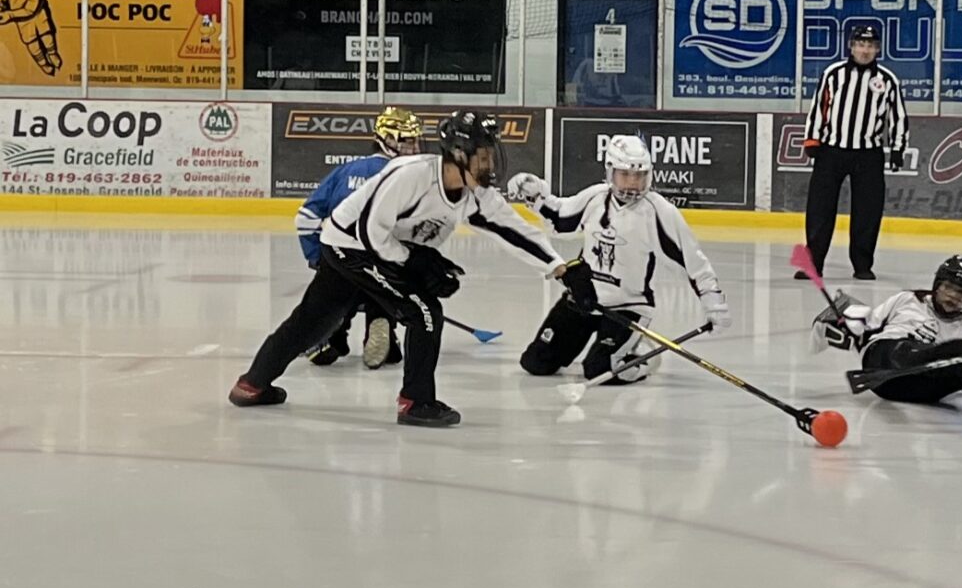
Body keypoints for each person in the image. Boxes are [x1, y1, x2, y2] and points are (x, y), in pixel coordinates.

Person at [229, 111, 595, 427]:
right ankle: (415, 402)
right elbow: (370, 232)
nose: (491, 165)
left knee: (313, 321)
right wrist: (414, 262)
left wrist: (561, 268)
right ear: (457, 154)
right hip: (351, 248)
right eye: (483, 157)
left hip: (374, 249)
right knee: (423, 312)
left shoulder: (475, 194)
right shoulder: (410, 176)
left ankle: (252, 385)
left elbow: (514, 230)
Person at [507, 135, 730, 384]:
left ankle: (643, 355)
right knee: (536, 363)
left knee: (599, 371)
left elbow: (693, 262)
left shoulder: (659, 212)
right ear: (610, 172)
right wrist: (536, 196)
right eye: (625, 174)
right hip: (584, 300)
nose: (632, 183)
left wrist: (714, 304)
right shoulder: (595, 197)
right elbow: (561, 219)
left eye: (639, 176)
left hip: (628, 309)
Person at [814, 256, 962, 424]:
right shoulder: (907, 300)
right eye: (949, 288)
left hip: (917, 387)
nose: (953, 297)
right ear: (937, 286)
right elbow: (870, 325)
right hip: (884, 368)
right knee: (905, 347)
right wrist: (848, 323)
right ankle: (914, 350)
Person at [295, 106, 423, 370]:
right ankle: (384, 325)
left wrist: (317, 257)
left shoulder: (346, 171)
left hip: (341, 258)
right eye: (407, 140)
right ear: (388, 139)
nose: (414, 146)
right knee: (383, 291)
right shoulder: (408, 177)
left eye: (414, 140)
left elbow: (305, 218)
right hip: (381, 264)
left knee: (333, 297)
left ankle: (332, 336)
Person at [799, 23, 910, 281]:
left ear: (878, 49)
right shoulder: (833, 73)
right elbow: (819, 107)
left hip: (868, 153)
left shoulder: (887, 80)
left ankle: (862, 264)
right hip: (832, 150)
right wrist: (812, 140)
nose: (865, 50)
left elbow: (898, 116)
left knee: (868, 211)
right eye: (860, 44)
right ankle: (814, 263)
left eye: (870, 45)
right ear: (851, 46)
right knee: (820, 209)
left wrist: (897, 148)